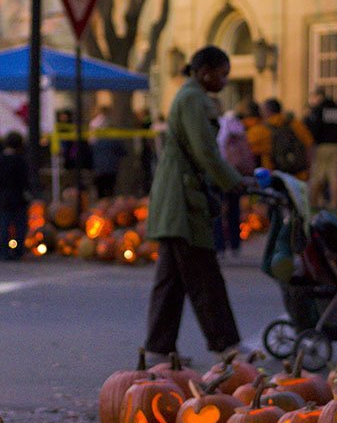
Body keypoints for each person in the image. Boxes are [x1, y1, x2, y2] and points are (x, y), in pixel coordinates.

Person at [144, 46, 249, 361]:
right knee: (205, 275)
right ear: (205, 72)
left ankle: (159, 348)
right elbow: (204, 150)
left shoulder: (190, 96)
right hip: (183, 198)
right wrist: (233, 181)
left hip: (177, 194)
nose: (225, 81)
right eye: (222, 74)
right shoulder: (193, 99)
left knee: (172, 280)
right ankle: (225, 345)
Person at [215, 107, 253, 259]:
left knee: (219, 211)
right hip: (237, 175)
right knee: (234, 209)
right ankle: (235, 244)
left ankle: (220, 245)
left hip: (221, 174)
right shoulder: (240, 130)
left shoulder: (219, 129)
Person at [305, 87, 337, 210]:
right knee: (334, 176)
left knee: (318, 176)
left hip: (322, 145)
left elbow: (314, 129)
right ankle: (335, 203)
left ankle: (314, 202)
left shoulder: (319, 110)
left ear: (319, 97)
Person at [0, 131, 29, 260]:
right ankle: (19, 250)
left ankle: (3, 251)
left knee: (4, 224)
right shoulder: (20, 161)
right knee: (20, 225)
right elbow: (25, 179)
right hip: (18, 196)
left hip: (3, 195)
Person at [263, 98, 313, 180]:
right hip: (298, 174)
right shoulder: (295, 124)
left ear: (267, 111)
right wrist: (308, 168)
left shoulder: (263, 129)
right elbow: (309, 146)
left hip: (275, 175)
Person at [90, 105, 125, 199]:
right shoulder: (111, 127)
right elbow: (120, 149)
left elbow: (91, 143)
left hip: (100, 165)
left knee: (101, 189)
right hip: (111, 166)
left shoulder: (94, 124)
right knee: (109, 188)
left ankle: (102, 203)